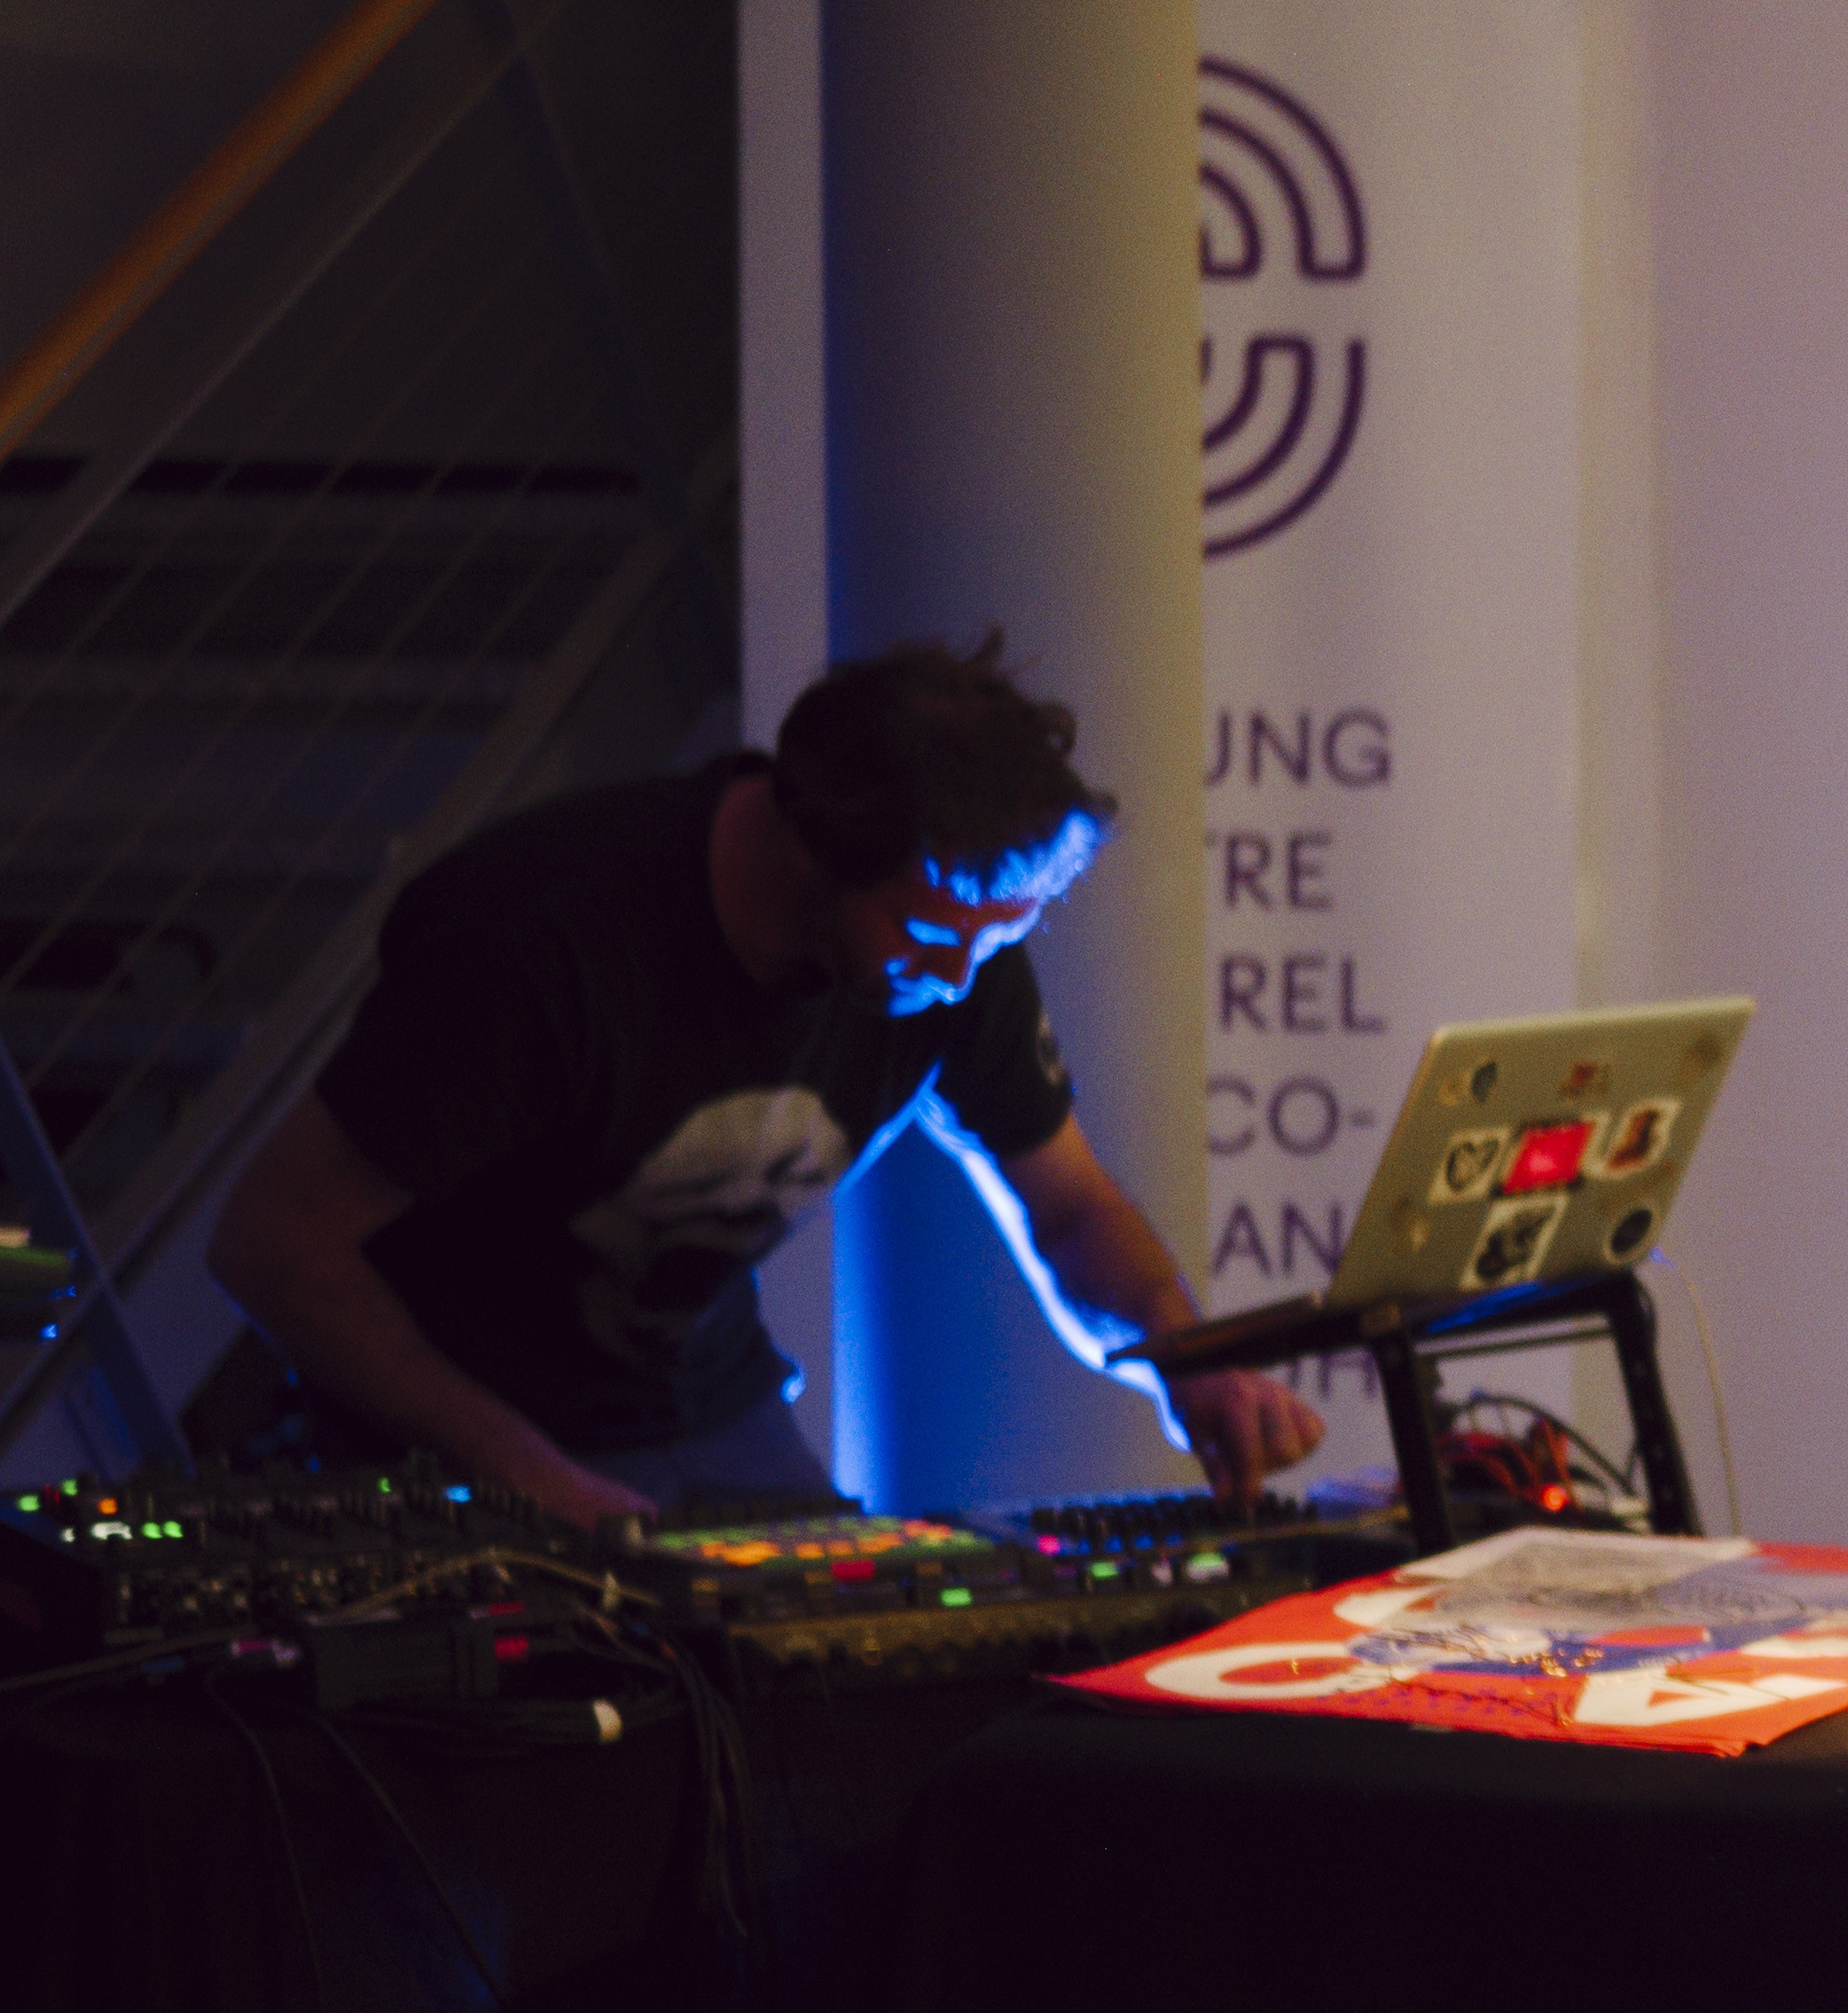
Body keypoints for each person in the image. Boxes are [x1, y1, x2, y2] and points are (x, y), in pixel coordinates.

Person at [208, 636, 1324, 1526]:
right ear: (811, 846)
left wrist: (1187, 1361)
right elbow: (271, 1242)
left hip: (705, 1402)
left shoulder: (955, 941)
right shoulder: (538, 946)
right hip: (456, 1424)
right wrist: (524, 1471)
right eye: (930, 936)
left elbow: (1072, 1209)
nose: (959, 977)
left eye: (996, 940)